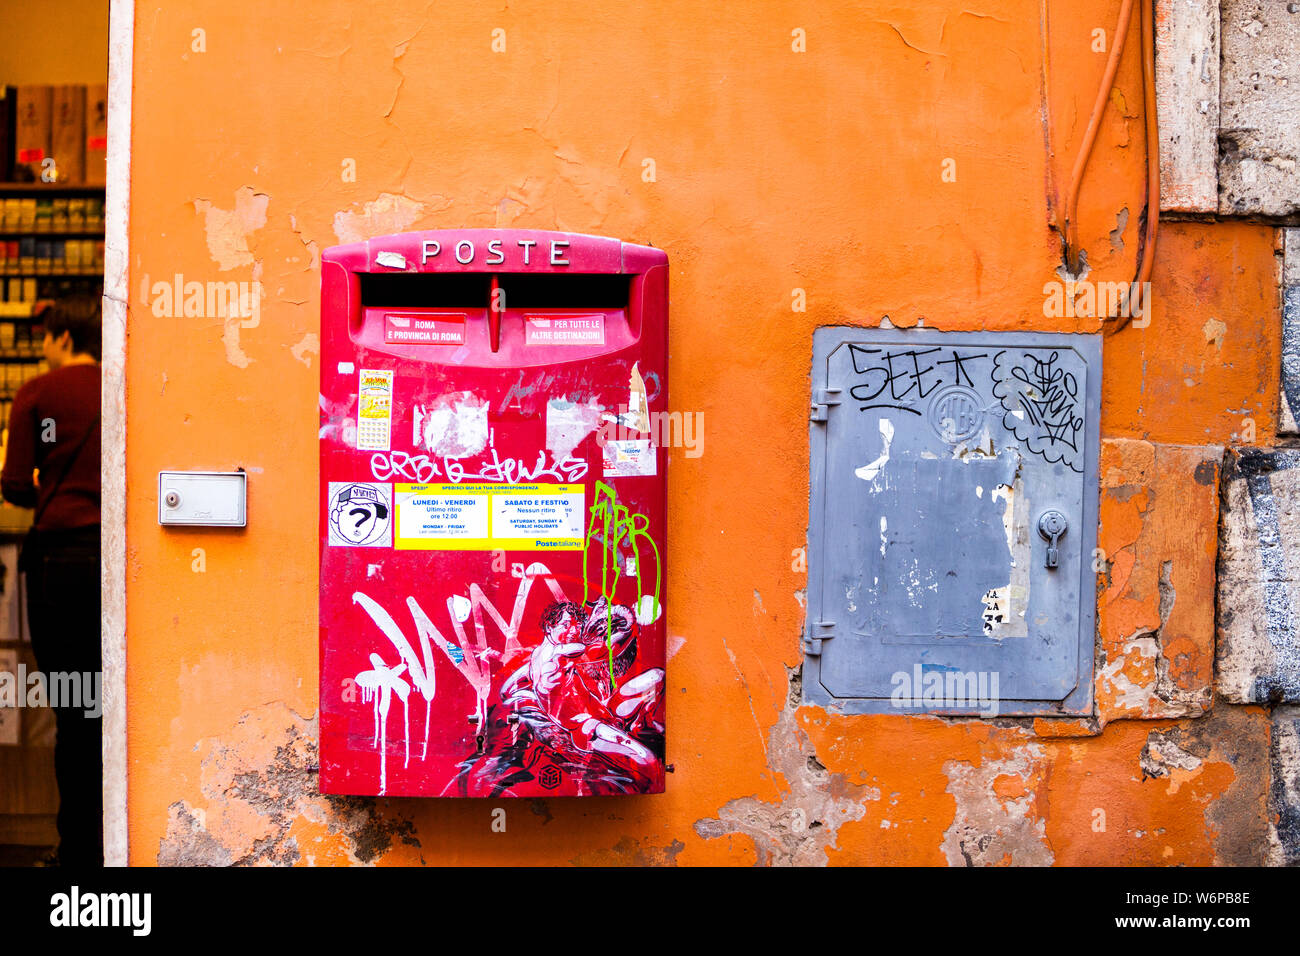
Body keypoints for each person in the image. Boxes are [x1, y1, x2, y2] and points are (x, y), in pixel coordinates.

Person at [1, 296, 102, 867]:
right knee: (113, 704)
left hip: (58, 565)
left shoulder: (37, 395)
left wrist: (43, 482)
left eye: (45, 338)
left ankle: (78, 851)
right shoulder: (123, 384)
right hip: (116, 562)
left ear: (62, 338)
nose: (41, 349)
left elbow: (15, 485)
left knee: (73, 704)